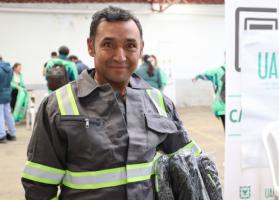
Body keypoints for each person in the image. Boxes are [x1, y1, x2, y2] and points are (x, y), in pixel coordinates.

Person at [21, 6, 201, 199]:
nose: (120, 56)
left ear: (141, 49)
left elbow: (190, 164)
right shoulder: (56, 107)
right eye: (108, 44)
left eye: (130, 45)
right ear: (91, 46)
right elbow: (39, 187)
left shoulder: (158, 102)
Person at [0, 56, 16, 143]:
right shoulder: (9, 69)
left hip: (0, 94)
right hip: (7, 93)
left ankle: (1, 135)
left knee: (0, 115)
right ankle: (12, 133)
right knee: (8, 114)